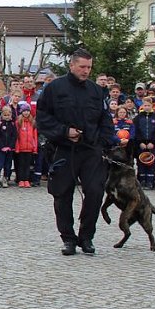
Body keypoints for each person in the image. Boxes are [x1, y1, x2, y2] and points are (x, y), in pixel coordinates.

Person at [37, 49, 115, 255]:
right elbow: (43, 118)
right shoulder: (55, 88)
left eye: (89, 67)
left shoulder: (96, 91)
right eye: (82, 67)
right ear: (71, 65)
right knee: (62, 194)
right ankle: (68, 239)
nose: (86, 71)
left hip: (91, 150)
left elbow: (106, 120)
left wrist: (103, 144)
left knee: (95, 192)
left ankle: (86, 237)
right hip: (63, 149)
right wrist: (64, 132)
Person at [15, 102, 38, 187]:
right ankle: (21, 179)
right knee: (21, 164)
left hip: (30, 148)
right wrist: (17, 147)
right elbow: (17, 136)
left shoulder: (32, 122)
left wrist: (35, 148)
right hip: (21, 148)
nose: (26, 113)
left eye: (28, 111)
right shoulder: (18, 122)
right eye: (24, 111)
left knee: (28, 165)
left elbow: (34, 136)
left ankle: (26, 179)